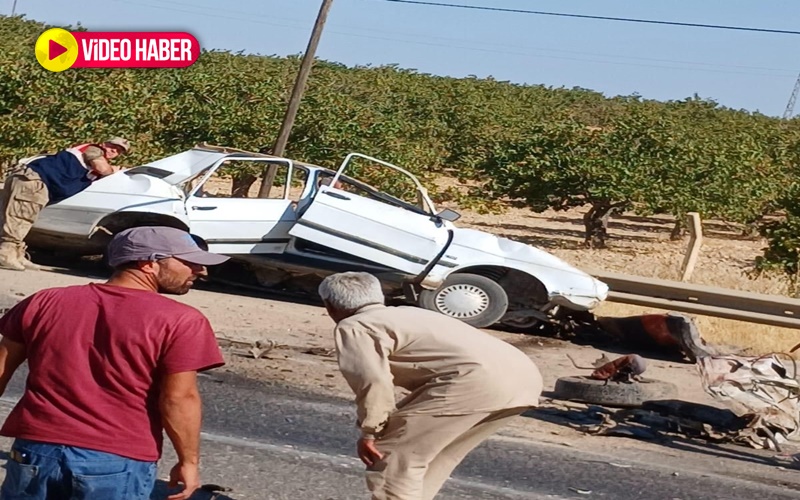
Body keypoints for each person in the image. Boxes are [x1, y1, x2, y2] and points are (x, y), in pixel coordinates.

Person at [0, 225, 228, 500]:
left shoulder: (45, 301)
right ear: (149, 264)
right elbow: (179, 399)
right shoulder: (181, 320)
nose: (201, 271)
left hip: (35, 450)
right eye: (189, 262)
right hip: (116, 459)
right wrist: (189, 461)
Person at [317, 271, 544, 500]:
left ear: (330, 306)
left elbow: (373, 381)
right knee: (433, 457)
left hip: (475, 382)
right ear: (379, 296)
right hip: (524, 379)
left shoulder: (356, 325)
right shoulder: (410, 312)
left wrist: (371, 431)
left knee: (392, 457)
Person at [0, 137, 131, 271]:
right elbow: (103, 168)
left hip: (32, 180)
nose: (114, 150)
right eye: (113, 146)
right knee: (21, 217)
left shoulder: (91, 164)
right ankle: (6, 253)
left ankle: (16, 253)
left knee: (17, 217)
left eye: (119, 150)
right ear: (104, 143)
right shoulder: (94, 150)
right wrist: (115, 170)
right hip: (34, 180)